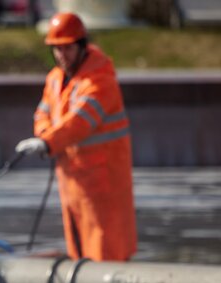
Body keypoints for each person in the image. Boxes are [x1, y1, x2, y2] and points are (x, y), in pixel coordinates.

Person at [15, 12, 136, 261]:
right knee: (78, 249)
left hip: (103, 183)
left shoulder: (101, 80)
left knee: (106, 249)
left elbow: (80, 122)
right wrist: (44, 137)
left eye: (67, 48)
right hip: (72, 180)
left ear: (82, 46)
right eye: (56, 49)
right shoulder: (55, 79)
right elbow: (42, 114)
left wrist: (47, 143)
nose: (61, 55)